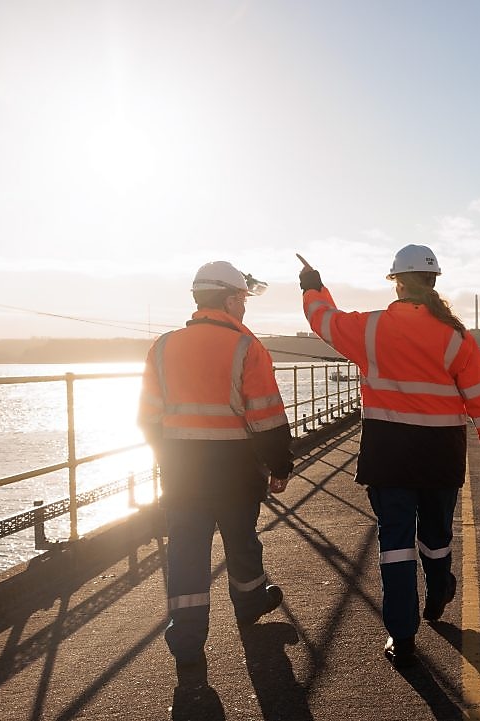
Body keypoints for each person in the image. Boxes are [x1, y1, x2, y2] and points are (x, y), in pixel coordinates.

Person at [298, 244, 480, 667]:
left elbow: (324, 321)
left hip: (388, 454)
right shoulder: (456, 336)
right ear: (433, 281)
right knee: (436, 538)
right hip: (439, 456)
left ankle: (402, 635)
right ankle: (438, 592)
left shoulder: (371, 329)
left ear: (396, 282)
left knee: (395, 546)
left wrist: (313, 287)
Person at [137, 261, 295, 689]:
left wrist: (166, 454)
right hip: (235, 466)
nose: (244, 307)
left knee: (186, 549)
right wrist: (280, 466)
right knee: (241, 539)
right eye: (242, 299)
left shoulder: (163, 346)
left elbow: (148, 417)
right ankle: (249, 604)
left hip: (182, 467)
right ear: (229, 300)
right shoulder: (246, 347)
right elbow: (266, 417)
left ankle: (187, 644)